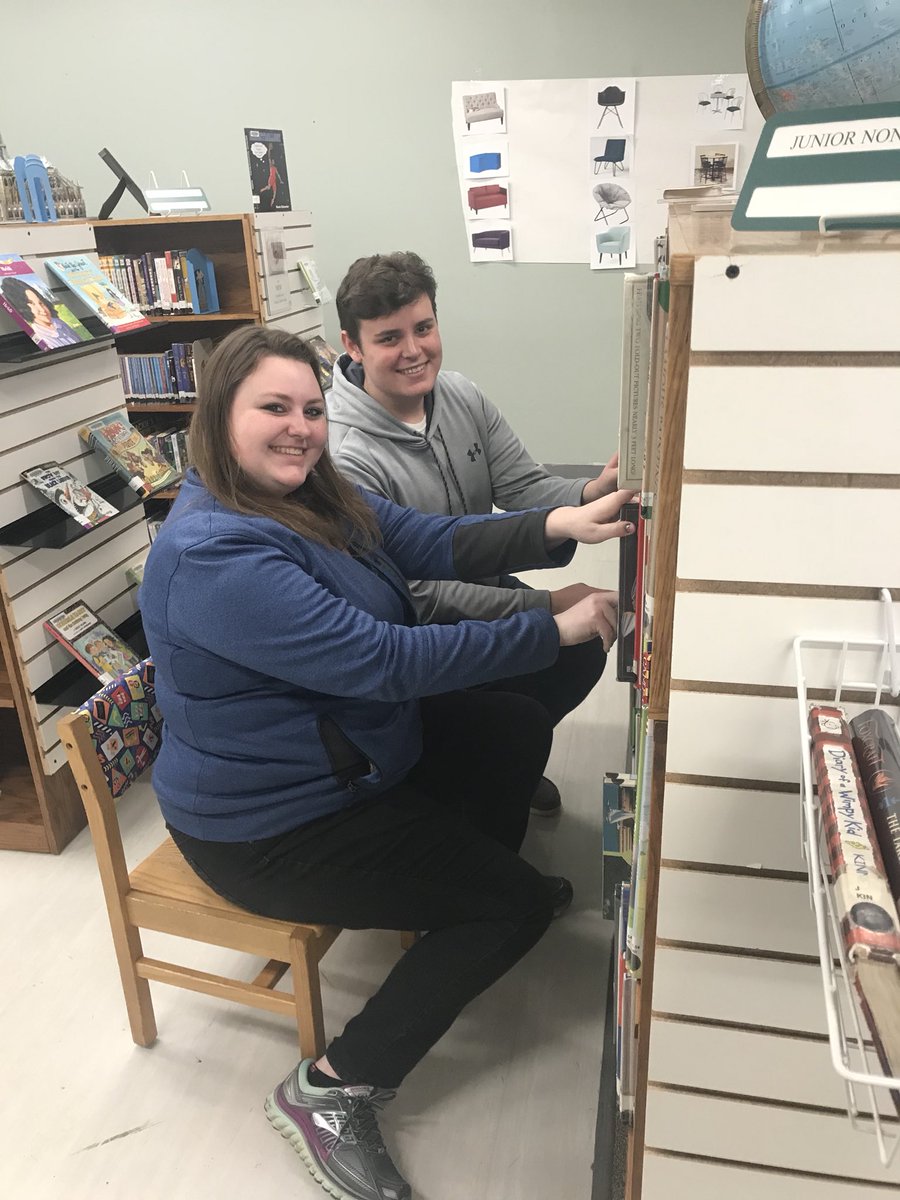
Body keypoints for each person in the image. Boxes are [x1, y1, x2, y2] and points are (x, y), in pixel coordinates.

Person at [140, 324, 635, 1200]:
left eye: (310, 409)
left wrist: (562, 522)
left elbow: (426, 539)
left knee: (512, 728)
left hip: (349, 752)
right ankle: (330, 1090)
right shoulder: (215, 554)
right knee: (510, 909)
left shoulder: (309, 493)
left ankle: (455, 897)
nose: (299, 427)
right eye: (273, 409)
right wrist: (542, 625)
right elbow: (381, 659)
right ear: (219, 418)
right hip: (271, 826)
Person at [328, 250, 620, 817]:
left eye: (424, 327)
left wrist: (590, 493)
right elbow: (411, 594)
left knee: (578, 651)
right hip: (409, 633)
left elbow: (523, 486)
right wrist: (543, 605)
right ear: (352, 346)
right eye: (390, 338)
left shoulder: (461, 393)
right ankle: (481, 765)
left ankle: (506, 758)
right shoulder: (345, 457)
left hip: (479, 586)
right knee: (519, 701)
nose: (414, 351)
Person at [1, 275, 82, 349]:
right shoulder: (42, 337)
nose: (42, 310)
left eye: (40, 303)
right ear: (23, 308)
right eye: (32, 304)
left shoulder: (58, 323)